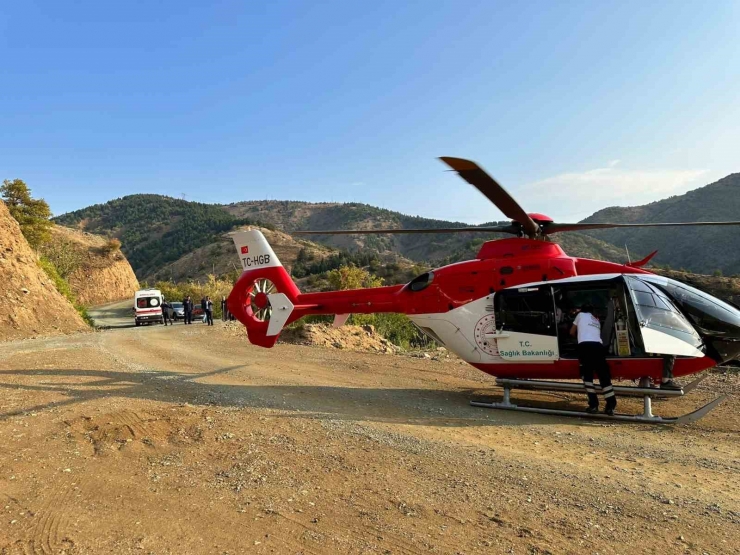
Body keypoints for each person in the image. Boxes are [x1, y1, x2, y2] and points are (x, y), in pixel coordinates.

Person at [571, 304, 617, 415]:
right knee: (604, 377)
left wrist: (577, 337)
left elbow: (571, 332)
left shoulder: (580, 315)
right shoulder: (596, 320)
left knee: (587, 377)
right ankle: (610, 406)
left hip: (585, 347)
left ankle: (593, 405)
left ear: (582, 310)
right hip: (598, 347)